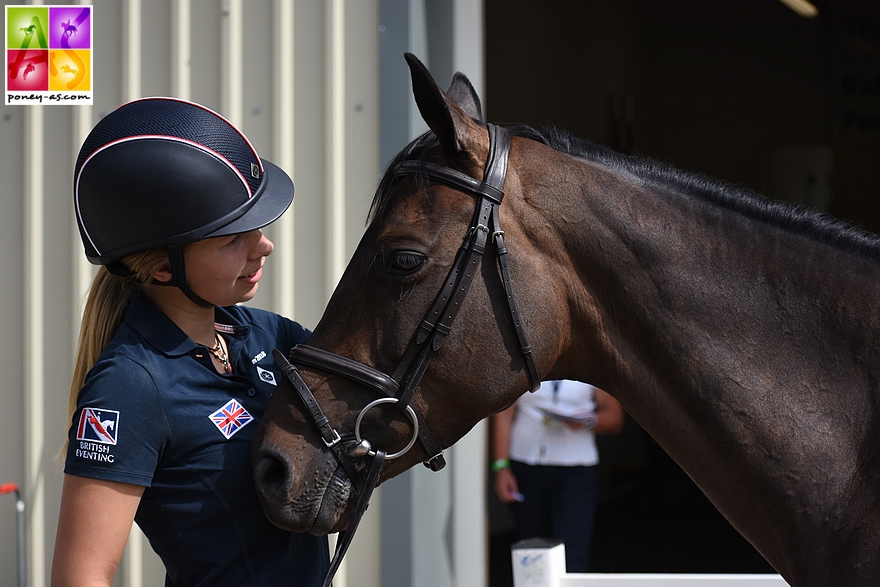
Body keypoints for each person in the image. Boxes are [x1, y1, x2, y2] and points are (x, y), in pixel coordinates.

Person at [51, 97, 328, 587]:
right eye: (231, 239)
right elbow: (81, 575)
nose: (263, 245)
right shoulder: (129, 387)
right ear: (161, 268)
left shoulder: (268, 335)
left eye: (257, 227)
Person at [492, 379, 624, 573]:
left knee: (571, 555)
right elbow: (503, 414)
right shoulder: (525, 355)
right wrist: (501, 467)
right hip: (525, 467)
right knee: (531, 552)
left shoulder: (588, 359)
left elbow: (615, 418)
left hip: (575, 472)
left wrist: (588, 421)